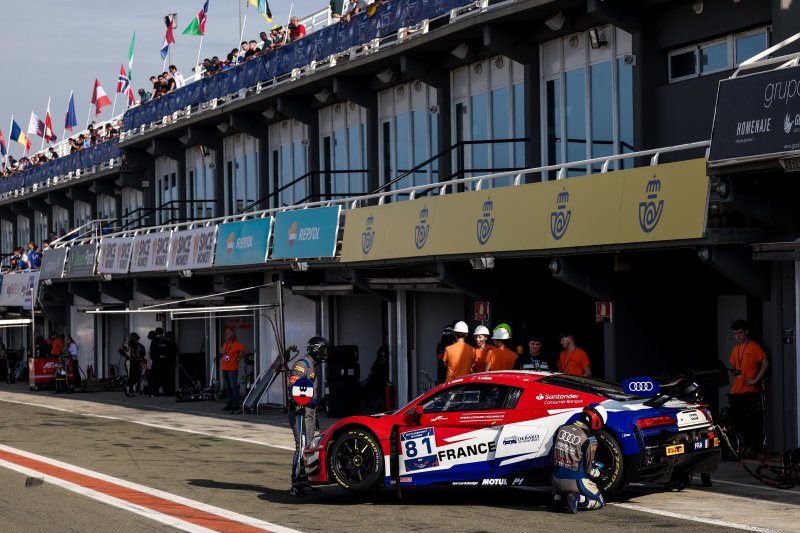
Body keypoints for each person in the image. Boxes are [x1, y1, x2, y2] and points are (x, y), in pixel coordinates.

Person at [288, 336, 327, 497]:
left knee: (308, 447)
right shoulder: (303, 364)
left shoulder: (312, 365)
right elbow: (293, 382)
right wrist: (298, 405)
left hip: (308, 413)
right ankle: (296, 484)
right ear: (316, 350)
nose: (325, 354)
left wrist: (313, 415)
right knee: (302, 446)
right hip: (300, 412)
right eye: (324, 350)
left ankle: (304, 482)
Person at [551, 404, 606, 513]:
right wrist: (600, 472)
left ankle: (558, 498)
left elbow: (553, 454)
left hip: (555, 479)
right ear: (597, 421)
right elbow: (589, 471)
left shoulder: (560, 428)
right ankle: (579, 499)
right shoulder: (590, 439)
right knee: (600, 501)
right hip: (575, 482)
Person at [727, 319, 769, 456]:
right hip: (736, 391)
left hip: (750, 391)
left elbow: (765, 363)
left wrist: (756, 379)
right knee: (737, 421)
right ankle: (745, 446)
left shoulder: (754, 347)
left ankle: (752, 447)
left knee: (751, 421)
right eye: (735, 333)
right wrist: (733, 372)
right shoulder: (735, 349)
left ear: (746, 332)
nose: (738, 336)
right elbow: (735, 368)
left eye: (740, 332)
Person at [220, 328, 247, 411]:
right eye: (226, 333)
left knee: (233, 387)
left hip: (232, 369)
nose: (226, 335)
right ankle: (230, 403)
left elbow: (245, 351)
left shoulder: (236, 345)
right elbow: (223, 353)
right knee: (227, 387)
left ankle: (236, 404)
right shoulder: (225, 344)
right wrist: (222, 355)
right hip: (224, 368)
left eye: (228, 333)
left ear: (232, 335)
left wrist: (239, 358)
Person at [362, 344, 389, 409]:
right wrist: (380, 363)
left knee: (384, 391)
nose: (382, 357)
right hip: (376, 380)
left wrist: (383, 363)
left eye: (383, 356)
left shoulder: (388, 362)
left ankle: (384, 406)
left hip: (383, 381)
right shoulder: (378, 361)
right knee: (364, 388)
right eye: (381, 356)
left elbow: (386, 372)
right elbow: (373, 369)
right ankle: (366, 404)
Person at [119, 332, 145, 397]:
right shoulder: (128, 344)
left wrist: (142, 359)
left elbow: (143, 353)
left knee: (137, 376)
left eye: (138, 339)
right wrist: (126, 355)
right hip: (129, 362)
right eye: (136, 339)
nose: (137, 340)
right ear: (132, 338)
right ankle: (129, 391)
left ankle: (128, 388)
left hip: (137, 362)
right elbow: (120, 350)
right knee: (130, 377)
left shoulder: (140, 345)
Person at [149, 327, 172, 396]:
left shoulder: (154, 341)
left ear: (156, 333)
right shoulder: (166, 341)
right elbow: (169, 351)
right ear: (162, 333)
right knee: (165, 377)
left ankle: (156, 391)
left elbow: (152, 352)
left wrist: (155, 359)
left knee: (156, 377)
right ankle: (167, 392)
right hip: (165, 362)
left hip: (157, 362)